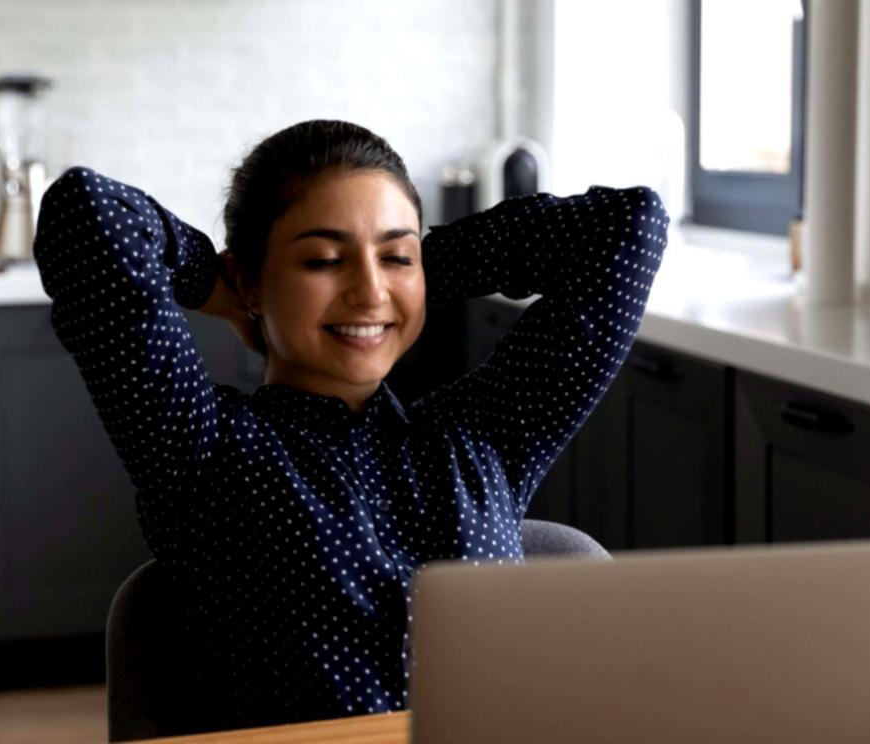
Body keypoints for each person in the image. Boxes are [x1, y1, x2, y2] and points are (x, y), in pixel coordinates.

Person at [33, 119, 668, 731]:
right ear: (251, 276)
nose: (367, 292)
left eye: (394, 256)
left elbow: (629, 227)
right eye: (323, 261)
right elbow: (88, 215)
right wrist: (219, 283)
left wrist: (411, 273)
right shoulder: (203, 450)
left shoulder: (483, 441)